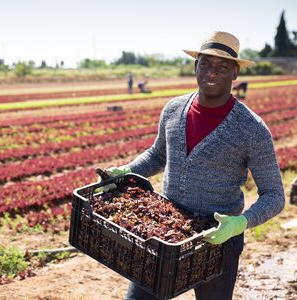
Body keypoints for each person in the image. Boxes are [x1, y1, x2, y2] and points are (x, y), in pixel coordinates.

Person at [104, 32, 285, 300]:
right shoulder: (174, 109)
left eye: (223, 66)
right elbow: (157, 155)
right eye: (206, 64)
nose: (213, 72)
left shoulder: (251, 129)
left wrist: (239, 223)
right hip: (166, 233)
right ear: (195, 67)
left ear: (235, 73)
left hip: (218, 240)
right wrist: (126, 170)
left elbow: (274, 194)